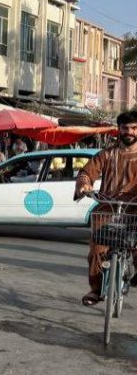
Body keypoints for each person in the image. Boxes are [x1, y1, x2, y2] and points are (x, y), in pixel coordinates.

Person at [73, 111, 137, 307]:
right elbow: (87, 172)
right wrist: (84, 184)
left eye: (134, 128)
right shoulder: (107, 154)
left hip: (135, 208)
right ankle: (96, 289)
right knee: (97, 248)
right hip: (108, 207)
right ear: (119, 129)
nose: (129, 132)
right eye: (125, 128)